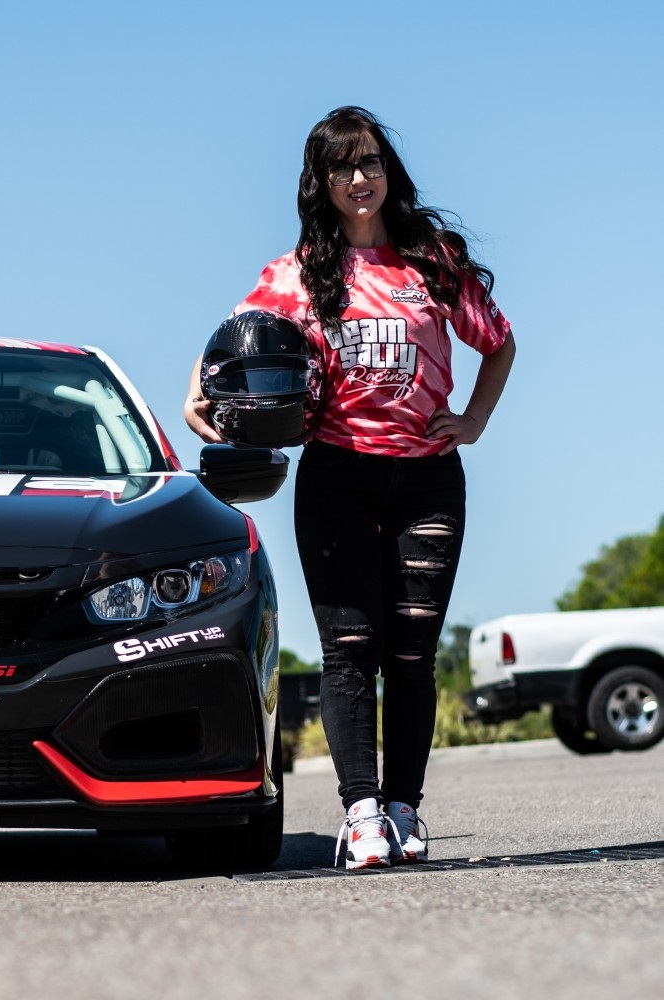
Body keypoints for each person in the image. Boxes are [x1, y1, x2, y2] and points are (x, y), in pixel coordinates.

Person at [184, 106, 517, 868]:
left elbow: (498, 343)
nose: (358, 178)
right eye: (341, 167)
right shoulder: (300, 272)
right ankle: (362, 815)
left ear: (387, 170)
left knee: (412, 655)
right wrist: (196, 395)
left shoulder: (432, 262)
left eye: (368, 162)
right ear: (321, 183)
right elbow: (227, 344)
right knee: (348, 652)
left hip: (428, 481)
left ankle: (405, 811)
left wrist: (474, 419)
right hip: (336, 475)